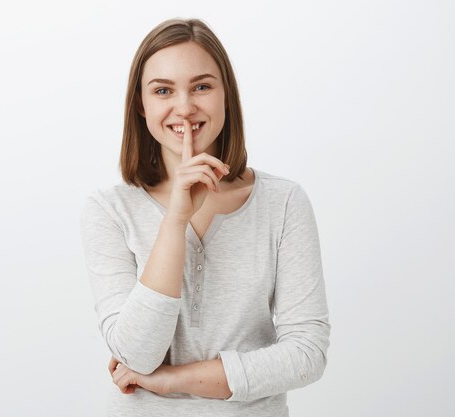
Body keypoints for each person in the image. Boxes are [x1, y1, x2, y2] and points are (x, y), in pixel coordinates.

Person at [80, 17, 331, 417]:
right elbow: (136, 354)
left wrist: (173, 380)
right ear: (142, 107)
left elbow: (307, 354)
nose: (184, 107)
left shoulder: (283, 203)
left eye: (201, 86)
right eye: (163, 90)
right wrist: (175, 219)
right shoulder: (109, 210)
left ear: (226, 96)